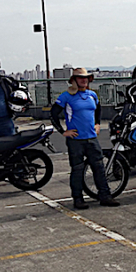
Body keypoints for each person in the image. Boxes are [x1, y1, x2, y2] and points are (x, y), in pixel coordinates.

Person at [50, 68, 120, 209]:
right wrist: (63, 131)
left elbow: (98, 109)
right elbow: (53, 114)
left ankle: (105, 196)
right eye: (80, 78)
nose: (84, 80)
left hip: (92, 138)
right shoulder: (66, 96)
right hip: (76, 140)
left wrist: (97, 124)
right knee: (77, 169)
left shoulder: (92, 95)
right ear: (74, 80)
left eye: (86, 78)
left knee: (99, 167)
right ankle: (78, 198)